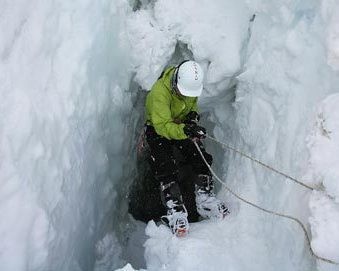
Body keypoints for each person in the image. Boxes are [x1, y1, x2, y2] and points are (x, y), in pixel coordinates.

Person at [144, 60, 229, 237]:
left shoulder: (190, 86)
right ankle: (174, 208)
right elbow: (163, 127)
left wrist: (192, 117)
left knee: (200, 156)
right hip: (159, 129)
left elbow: (191, 105)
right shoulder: (159, 93)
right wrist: (185, 130)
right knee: (165, 164)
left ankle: (205, 199)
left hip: (181, 127)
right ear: (175, 81)